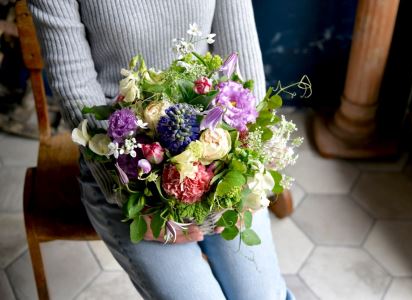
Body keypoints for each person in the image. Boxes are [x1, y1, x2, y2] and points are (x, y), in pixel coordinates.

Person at [29, 1, 294, 299]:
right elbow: (73, 81)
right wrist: (125, 192)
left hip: (220, 152)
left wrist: (248, 170)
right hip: (124, 170)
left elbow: (242, 64)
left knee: (263, 296)